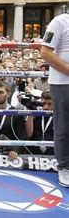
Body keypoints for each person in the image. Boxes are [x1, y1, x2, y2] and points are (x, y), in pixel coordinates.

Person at [40, 13, 69, 187]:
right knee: (63, 127)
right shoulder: (59, 21)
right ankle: (64, 166)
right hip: (62, 84)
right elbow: (45, 52)